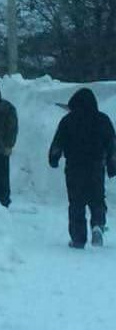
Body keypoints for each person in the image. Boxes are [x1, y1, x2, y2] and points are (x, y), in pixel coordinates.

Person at [49, 88, 116, 249]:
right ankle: (97, 225)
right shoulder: (103, 120)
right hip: (96, 167)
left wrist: (54, 158)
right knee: (97, 198)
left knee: (76, 202)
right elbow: (112, 145)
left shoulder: (68, 121)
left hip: (74, 167)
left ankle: (78, 239)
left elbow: (58, 143)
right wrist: (112, 165)